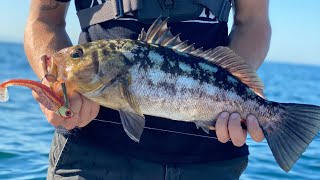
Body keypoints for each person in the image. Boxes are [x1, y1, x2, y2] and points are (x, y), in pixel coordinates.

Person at [24, 0, 271, 179]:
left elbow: (253, 22)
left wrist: (237, 92)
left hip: (211, 159)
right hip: (91, 155)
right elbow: (44, 17)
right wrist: (58, 87)